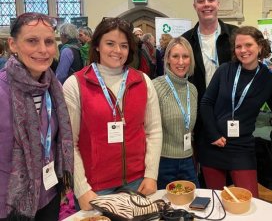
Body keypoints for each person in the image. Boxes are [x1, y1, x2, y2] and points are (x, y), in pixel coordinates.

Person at [63, 17, 162, 210]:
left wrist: (151, 174)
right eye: (110, 43)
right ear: (97, 45)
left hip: (137, 182)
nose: (117, 51)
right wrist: (82, 188)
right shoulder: (75, 85)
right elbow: (69, 143)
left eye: (123, 45)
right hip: (96, 187)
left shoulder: (143, 81)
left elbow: (154, 131)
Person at [0, 12, 73, 220]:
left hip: (48, 196)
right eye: (32, 41)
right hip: (10, 205)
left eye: (49, 41)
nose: (43, 50)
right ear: (13, 44)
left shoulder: (54, 88)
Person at [199, 26, 272, 198]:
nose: (243, 50)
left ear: (260, 46)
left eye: (248, 45)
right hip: (214, 144)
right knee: (216, 201)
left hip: (242, 147)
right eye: (238, 46)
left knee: (249, 201)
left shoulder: (268, 78)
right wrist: (213, 134)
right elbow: (206, 103)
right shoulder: (225, 70)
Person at [182, 0, 237, 184]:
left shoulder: (234, 36)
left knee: (233, 180)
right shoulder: (186, 40)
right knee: (207, 177)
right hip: (200, 118)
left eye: (211, 0)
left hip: (231, 115)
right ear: (195, 5)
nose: (207, 5)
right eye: (201, 1)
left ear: (218, 4)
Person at [152, 37, 199, 189]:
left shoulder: (192, 90)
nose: (181, 62)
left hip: (187, 159)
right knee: (164, 209)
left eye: (185, 56)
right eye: (175, 56)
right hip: (163, 162)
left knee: (194, 205)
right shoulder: (156, 87)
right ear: (167, 59)